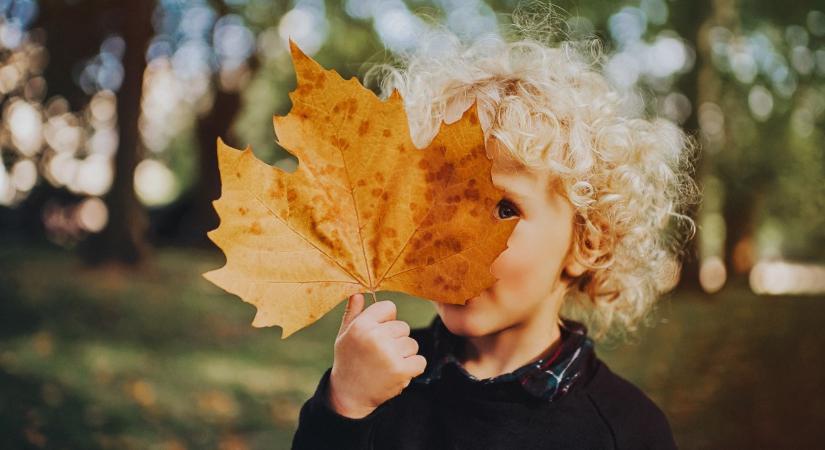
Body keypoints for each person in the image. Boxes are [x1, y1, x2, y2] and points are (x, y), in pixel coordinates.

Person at [291, 6, 699, 450]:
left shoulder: (627, 430)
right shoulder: (379, 379)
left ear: (589, 242)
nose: (452, 232)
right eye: (436, 198)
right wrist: (345, 405)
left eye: (502, 208)